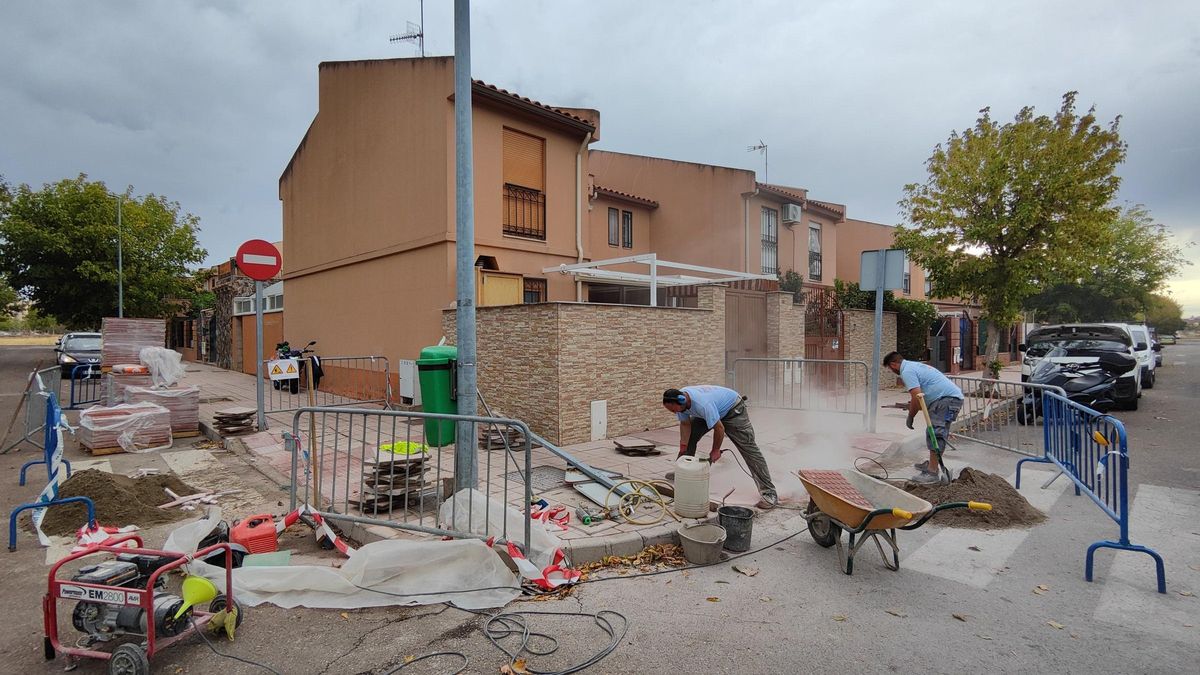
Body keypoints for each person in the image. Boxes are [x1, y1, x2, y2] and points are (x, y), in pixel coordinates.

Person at [661, 385, 778, 509]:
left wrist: (715, 450)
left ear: (682, 400)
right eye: (672, 411)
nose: (675, 413)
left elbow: (719, 428)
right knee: (689, 440)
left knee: (749, 449)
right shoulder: (680, 404)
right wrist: (683, 446)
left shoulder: (703, 404)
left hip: (733, 410)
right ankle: (684, 472)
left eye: (674, 410)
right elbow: (685, 424)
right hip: (714, 409)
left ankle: (769, 492)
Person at [883, 351, 964, 483]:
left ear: (893, 364)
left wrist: (911, 415)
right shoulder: (913, 366)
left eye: (890, 369)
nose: (892, 371)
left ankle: (932, 472)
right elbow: (920, 398)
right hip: (946, 399)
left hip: (946, 400)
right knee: (933, 432)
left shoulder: (907, 371)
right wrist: (913, 406)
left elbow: (916, 396)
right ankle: (933, 464)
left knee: (936, 433)